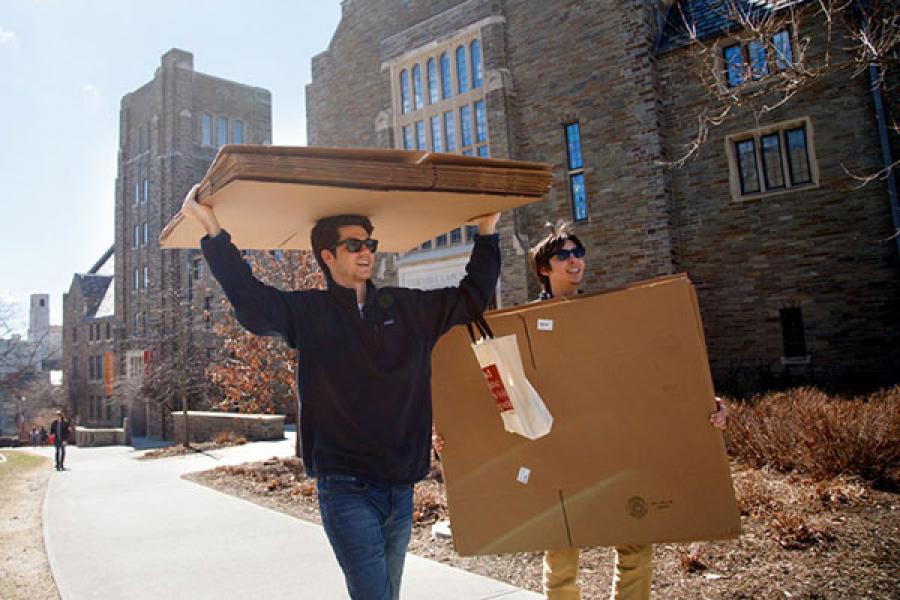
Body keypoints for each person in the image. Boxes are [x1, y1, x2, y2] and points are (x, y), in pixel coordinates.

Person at [181, 184, 501, 600]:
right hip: (345, 486)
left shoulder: (407, 309)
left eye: (369, 243)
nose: (366, 251)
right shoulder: (309, 314)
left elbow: (472, 298)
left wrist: (488, 232)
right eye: (353, 245)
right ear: (327, 256)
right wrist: (212, 228)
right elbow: (253, 303)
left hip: (401, 487)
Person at [528, 225, 729, 600]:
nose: (574, 260)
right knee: (562, 553)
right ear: (544, 268)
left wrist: (704, 403)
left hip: (615, 447)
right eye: (563, 256)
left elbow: (648, 375)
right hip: (563, 451)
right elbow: (512, 391)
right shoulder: (525, 325)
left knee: (635, 544)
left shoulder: (606, 315)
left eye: (578, 252)